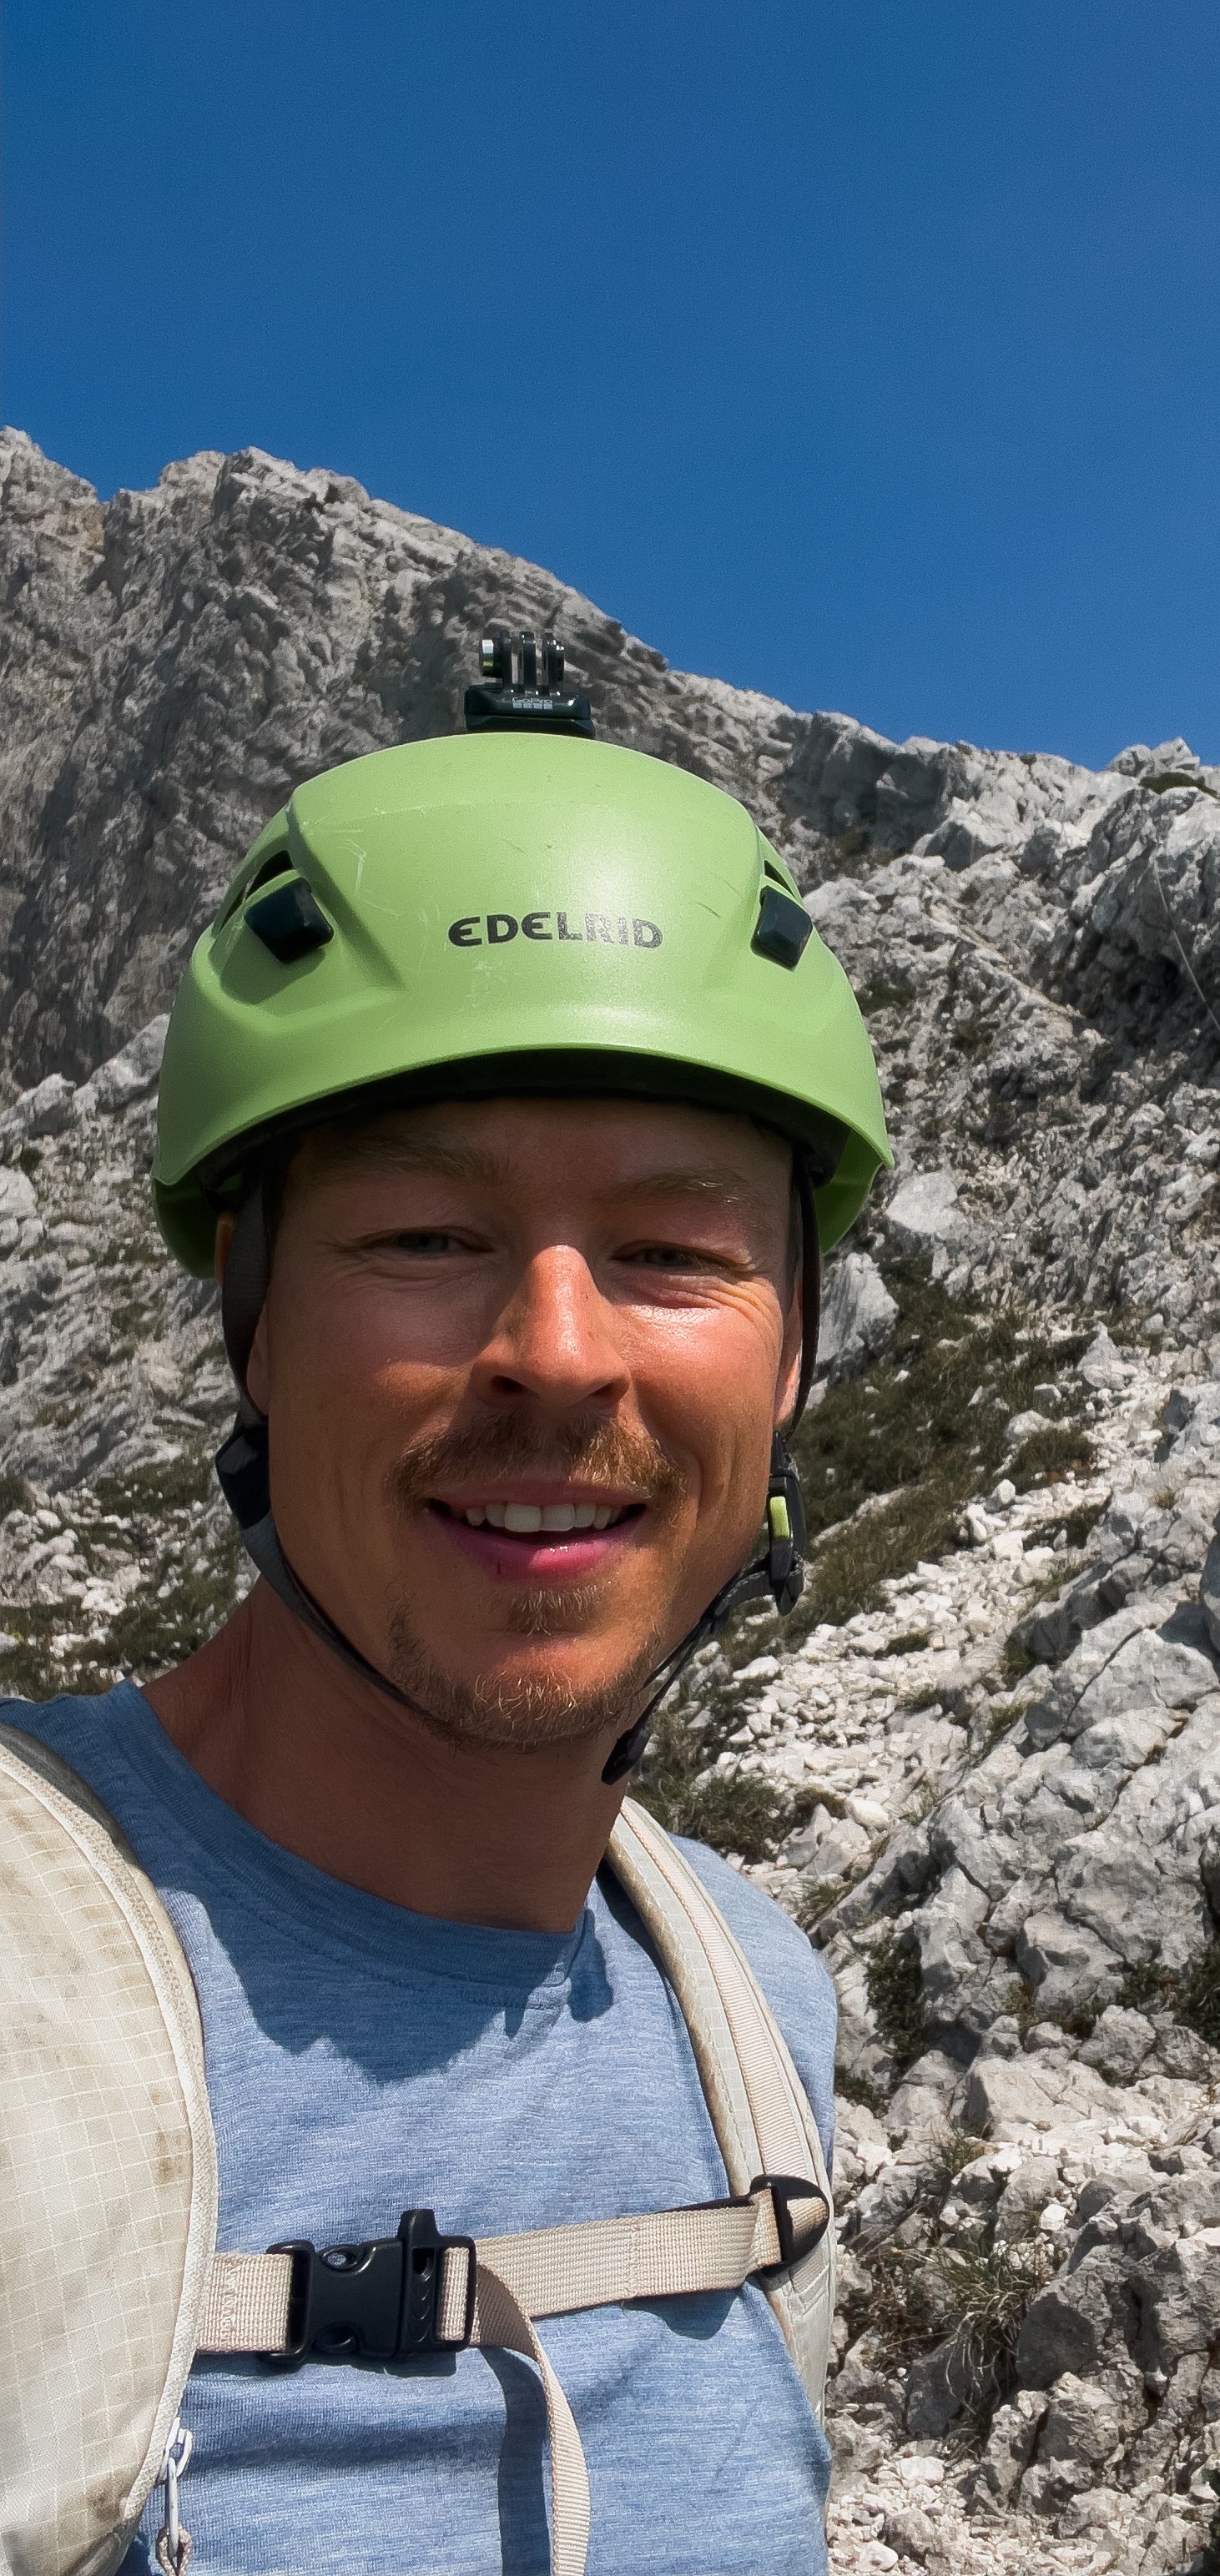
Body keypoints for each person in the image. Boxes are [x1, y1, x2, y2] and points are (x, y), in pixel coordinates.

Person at [1, 652, 890, 2576]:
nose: (557, 1355)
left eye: (673, 1250)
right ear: (251, 1308)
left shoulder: (746, 2000)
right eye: (424, 1235)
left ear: (798, 1349)